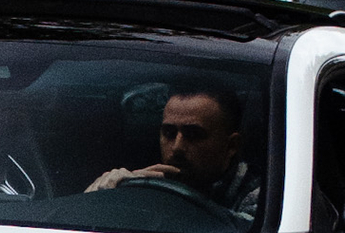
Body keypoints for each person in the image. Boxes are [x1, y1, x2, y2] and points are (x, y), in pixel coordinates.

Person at [90, 82, 261, 217]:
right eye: (169, 133)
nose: (177, 147)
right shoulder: (144, 178)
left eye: (194, 135)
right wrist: (107, 195)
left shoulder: (260, 198)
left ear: (231, 146)